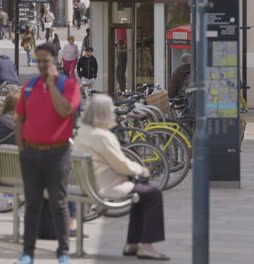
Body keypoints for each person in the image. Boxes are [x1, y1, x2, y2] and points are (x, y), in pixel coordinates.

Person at [74, 94, 170, 261]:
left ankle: (132, 244)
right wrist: (140, 169)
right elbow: (120, 163)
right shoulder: (103, 136)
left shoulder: (83, 132)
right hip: (105, 186)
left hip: (88, 183)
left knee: (141, 194)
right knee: (153, 194)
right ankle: (146, 246)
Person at [14, 43, 80, 264]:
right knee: (32, 205)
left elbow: (65, 111)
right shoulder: (29, 86)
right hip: (31, 154)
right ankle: (27, 253)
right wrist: (22, 147)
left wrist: (52, 85)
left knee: (58, 203)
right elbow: (20, 118)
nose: (42, 65)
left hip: (57, 154)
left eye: (46, 61)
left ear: (55, 61)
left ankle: (63, 252)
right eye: (39, 61)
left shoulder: (68, 85)